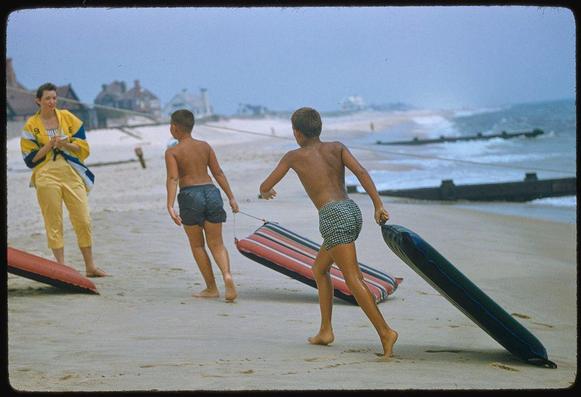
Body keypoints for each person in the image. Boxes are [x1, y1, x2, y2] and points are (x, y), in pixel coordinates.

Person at [259, 107, 398, 359]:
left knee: (353, 278)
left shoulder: (293, 157)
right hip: (351, 211)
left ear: (297, 133)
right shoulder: (337, 147)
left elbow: (265, 185)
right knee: (319, 269)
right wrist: (378, 204)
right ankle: (325, 331)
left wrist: (266, 192)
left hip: (333, 216)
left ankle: (385, 331)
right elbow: (362, 173)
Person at [20, 82, 107, 277]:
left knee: (83, 219)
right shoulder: (30, 126)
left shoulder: (68, 118)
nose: (51, 102)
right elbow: (30, 159)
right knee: (53, 220)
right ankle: (60, 266)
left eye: (54, 98)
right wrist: (49, 145)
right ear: (38, 101)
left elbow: (84, 148)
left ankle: (90, 266)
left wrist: (66, 144)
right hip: (45, 174)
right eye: (47, 99)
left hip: (70, 171)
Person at [165, 109, 239, 302]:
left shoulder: (172, 151)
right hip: (212, 193)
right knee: (217, 243)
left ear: (174, 127)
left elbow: (173, 178)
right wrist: (231, 197)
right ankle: (227, 275)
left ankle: (212, 288)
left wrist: (170, 205)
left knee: (198, 245)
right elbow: (218, 173)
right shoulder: (205, 146)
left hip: (190, 195)